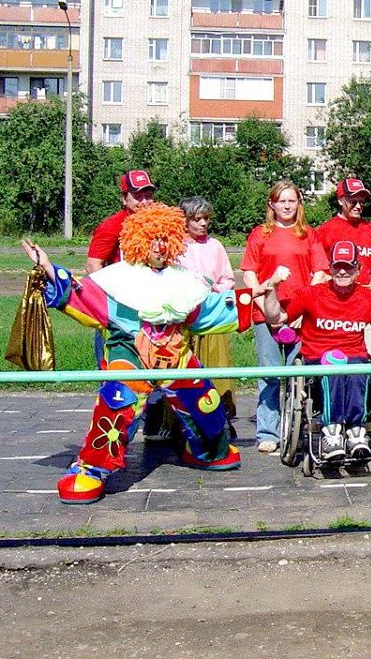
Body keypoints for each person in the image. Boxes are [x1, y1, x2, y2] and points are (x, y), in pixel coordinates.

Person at [21, 203, 244, 504]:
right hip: (130, 356)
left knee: (204, 401)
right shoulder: (118, 280)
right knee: (116, 406)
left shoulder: (184, 280)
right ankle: (91, 469)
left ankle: (207, 449)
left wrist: (260, 301)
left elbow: (207, 311)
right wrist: (48, 267)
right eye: (153, 239)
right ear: (138, 240)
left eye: (165, 239)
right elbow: (81, 294)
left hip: (175, 356)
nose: (160, 246)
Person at [261, 241, 371, 460]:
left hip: (355, 356)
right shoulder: (311, 294)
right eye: (337, 266)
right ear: (329, 268)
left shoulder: (369, 299)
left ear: (358, 269)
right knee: (335, 368)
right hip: (317, 357)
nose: (342, 271)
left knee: (358, 369)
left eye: (348, 266)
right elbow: (276, 318)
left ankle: (356, 431)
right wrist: (271, 287)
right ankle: (332, 432)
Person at [240, 181, 324, 454]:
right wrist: (265, 307)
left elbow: (320, 273)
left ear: (299, 204)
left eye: (292, 201)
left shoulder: (309, 235)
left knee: (300, 373)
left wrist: (303, 309)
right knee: (270, 373)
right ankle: (268, 432)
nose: (287, 206)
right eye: (282, 201)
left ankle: (299, 428)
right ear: (272, 205)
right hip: (265, 313)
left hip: (300, 316)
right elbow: (249, 273)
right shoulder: (259, 234)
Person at [178, 195, 238, 434]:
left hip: (212, 314)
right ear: (185, 220)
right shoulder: (177, 246)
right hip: (185, 316)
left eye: (206, 219)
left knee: (217, 365)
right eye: (197, 219)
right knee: (183, 368)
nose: (203, 224)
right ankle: (181, 420)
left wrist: (216, 289)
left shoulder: (215, 246)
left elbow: (228, 278)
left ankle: (221, 417)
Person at [312, 177, 371, 292]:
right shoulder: (325, 230)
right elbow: (316, 270)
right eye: (353, 202)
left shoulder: (369, 228)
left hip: (364, 297)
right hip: (335, 298)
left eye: (361, 202)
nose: (358, 206)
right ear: (340, 200)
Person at [86, 169, 156, 274]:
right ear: (124, 198)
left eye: (148, 196)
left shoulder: (160, 221)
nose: (145, 202)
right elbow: (92, 266)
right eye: (137, 197)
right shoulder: (111, 226)